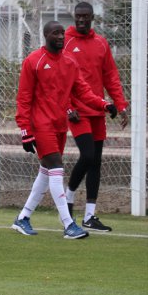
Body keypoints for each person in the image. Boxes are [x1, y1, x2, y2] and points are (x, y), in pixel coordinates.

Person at [12, 21, 116, 240]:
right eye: (55, 33)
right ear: (46, 35)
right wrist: (25, 130)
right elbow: (23, 99)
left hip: (60, 125)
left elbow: (83, 92)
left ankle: (23, 217)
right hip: (41, 125)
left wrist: (103, 104)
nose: (60, 36)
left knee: (46, 170)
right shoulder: (34, 61)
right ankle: (68, 223)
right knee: (57, 168)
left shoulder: (70, 61)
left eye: (62, 33)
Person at [64, 2, 129, 231]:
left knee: (96, 162)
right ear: (74, 17)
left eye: (85, 17)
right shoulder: (66, 42)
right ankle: (68, 198)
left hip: (98, 110)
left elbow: (111, 76)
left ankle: (90, 215)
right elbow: (61, 80)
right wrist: (68, 107)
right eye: (78, 16)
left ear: (92, 18)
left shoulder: (101, 43)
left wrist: (120, 105)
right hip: (77, 111)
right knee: (88, 155)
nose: (81, 20)